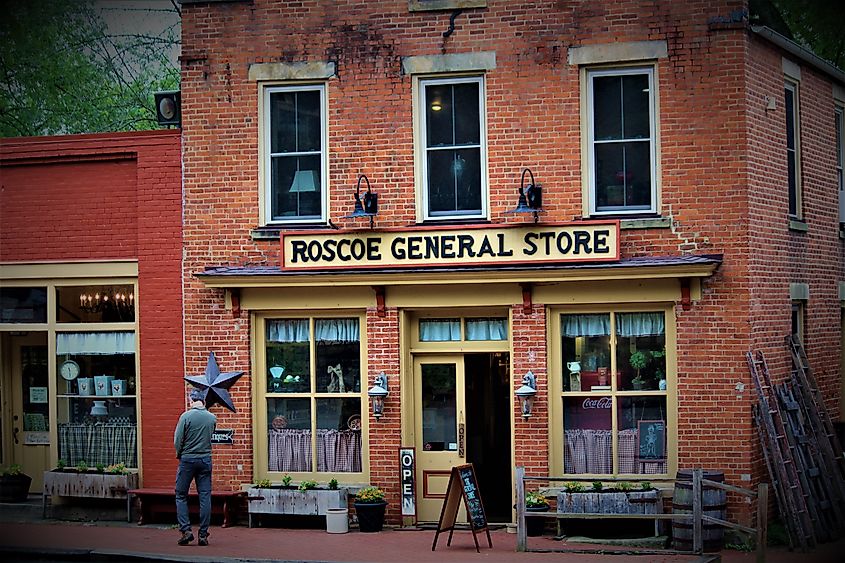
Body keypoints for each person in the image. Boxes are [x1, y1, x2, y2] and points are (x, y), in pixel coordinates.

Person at [174, 388, 217, 546]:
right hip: (205, 459)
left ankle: (186, 530)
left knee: (180, 494)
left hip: (188, 459)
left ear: (191, 400)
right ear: (203, 401)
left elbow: (178, 440)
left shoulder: (186, 416)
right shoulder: (212, 418)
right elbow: (210, 436)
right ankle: (203, 534)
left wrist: (180, 453)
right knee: (205, 496)